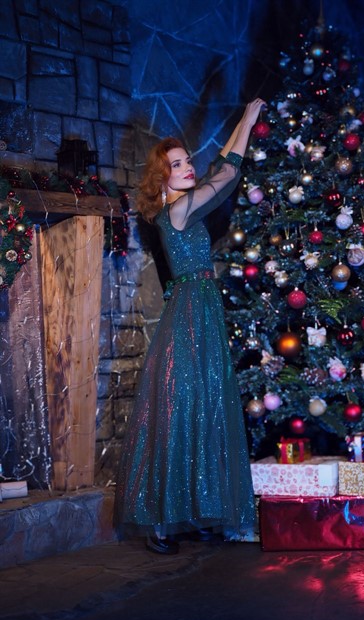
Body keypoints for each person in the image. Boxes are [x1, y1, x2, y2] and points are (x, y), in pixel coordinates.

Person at [114, 98, 267, 554]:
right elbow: (228, 173)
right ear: (162, 178)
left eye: (186, 161)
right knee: (180, 408)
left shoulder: (182, 207)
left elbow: (220, 167)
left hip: (200, 306)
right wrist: (247, 120)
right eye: (176, 164)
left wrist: (242, 124)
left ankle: (195, 511)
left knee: (204, 405)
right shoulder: (177, 211)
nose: (187, 167)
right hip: (189, 312)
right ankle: (161, 521)